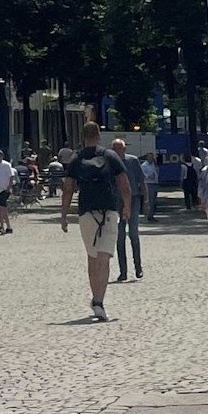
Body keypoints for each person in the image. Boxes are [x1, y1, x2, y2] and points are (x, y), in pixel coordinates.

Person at [61, 122, 130, 322]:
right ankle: (99, 300)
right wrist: (127, 205)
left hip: (86, 213)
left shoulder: (76, 159)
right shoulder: (110, 156)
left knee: (92, 257)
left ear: (83, 137)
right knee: (104, 258)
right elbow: (124, 183)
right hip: (108, 210)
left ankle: (96, 299)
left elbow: (68, 189)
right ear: (99, 135)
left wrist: (64, 215)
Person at [111, 139, 146, 282]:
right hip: (116, 202)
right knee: (119, 237)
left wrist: (147, 201)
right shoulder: (109, 163)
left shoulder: (133, 161)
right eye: (115, 149)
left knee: (133, 234)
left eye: (120, 148)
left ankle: (138, 267)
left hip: (133, 200)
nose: (118, 151)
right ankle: (123, 271)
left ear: (125, 149)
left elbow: (141, 180)